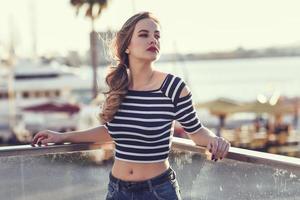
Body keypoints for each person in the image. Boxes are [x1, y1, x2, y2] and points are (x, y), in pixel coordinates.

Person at [31, 12, 231, 200]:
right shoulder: (119, 85)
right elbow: (110, 132)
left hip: (158, 191)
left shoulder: (174, 87)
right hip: (117, 189)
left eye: (157, 36)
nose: (153, 40)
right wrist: (63, 137)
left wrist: (215, 140)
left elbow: (196, 132)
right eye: (144, 35)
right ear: (127, 45)